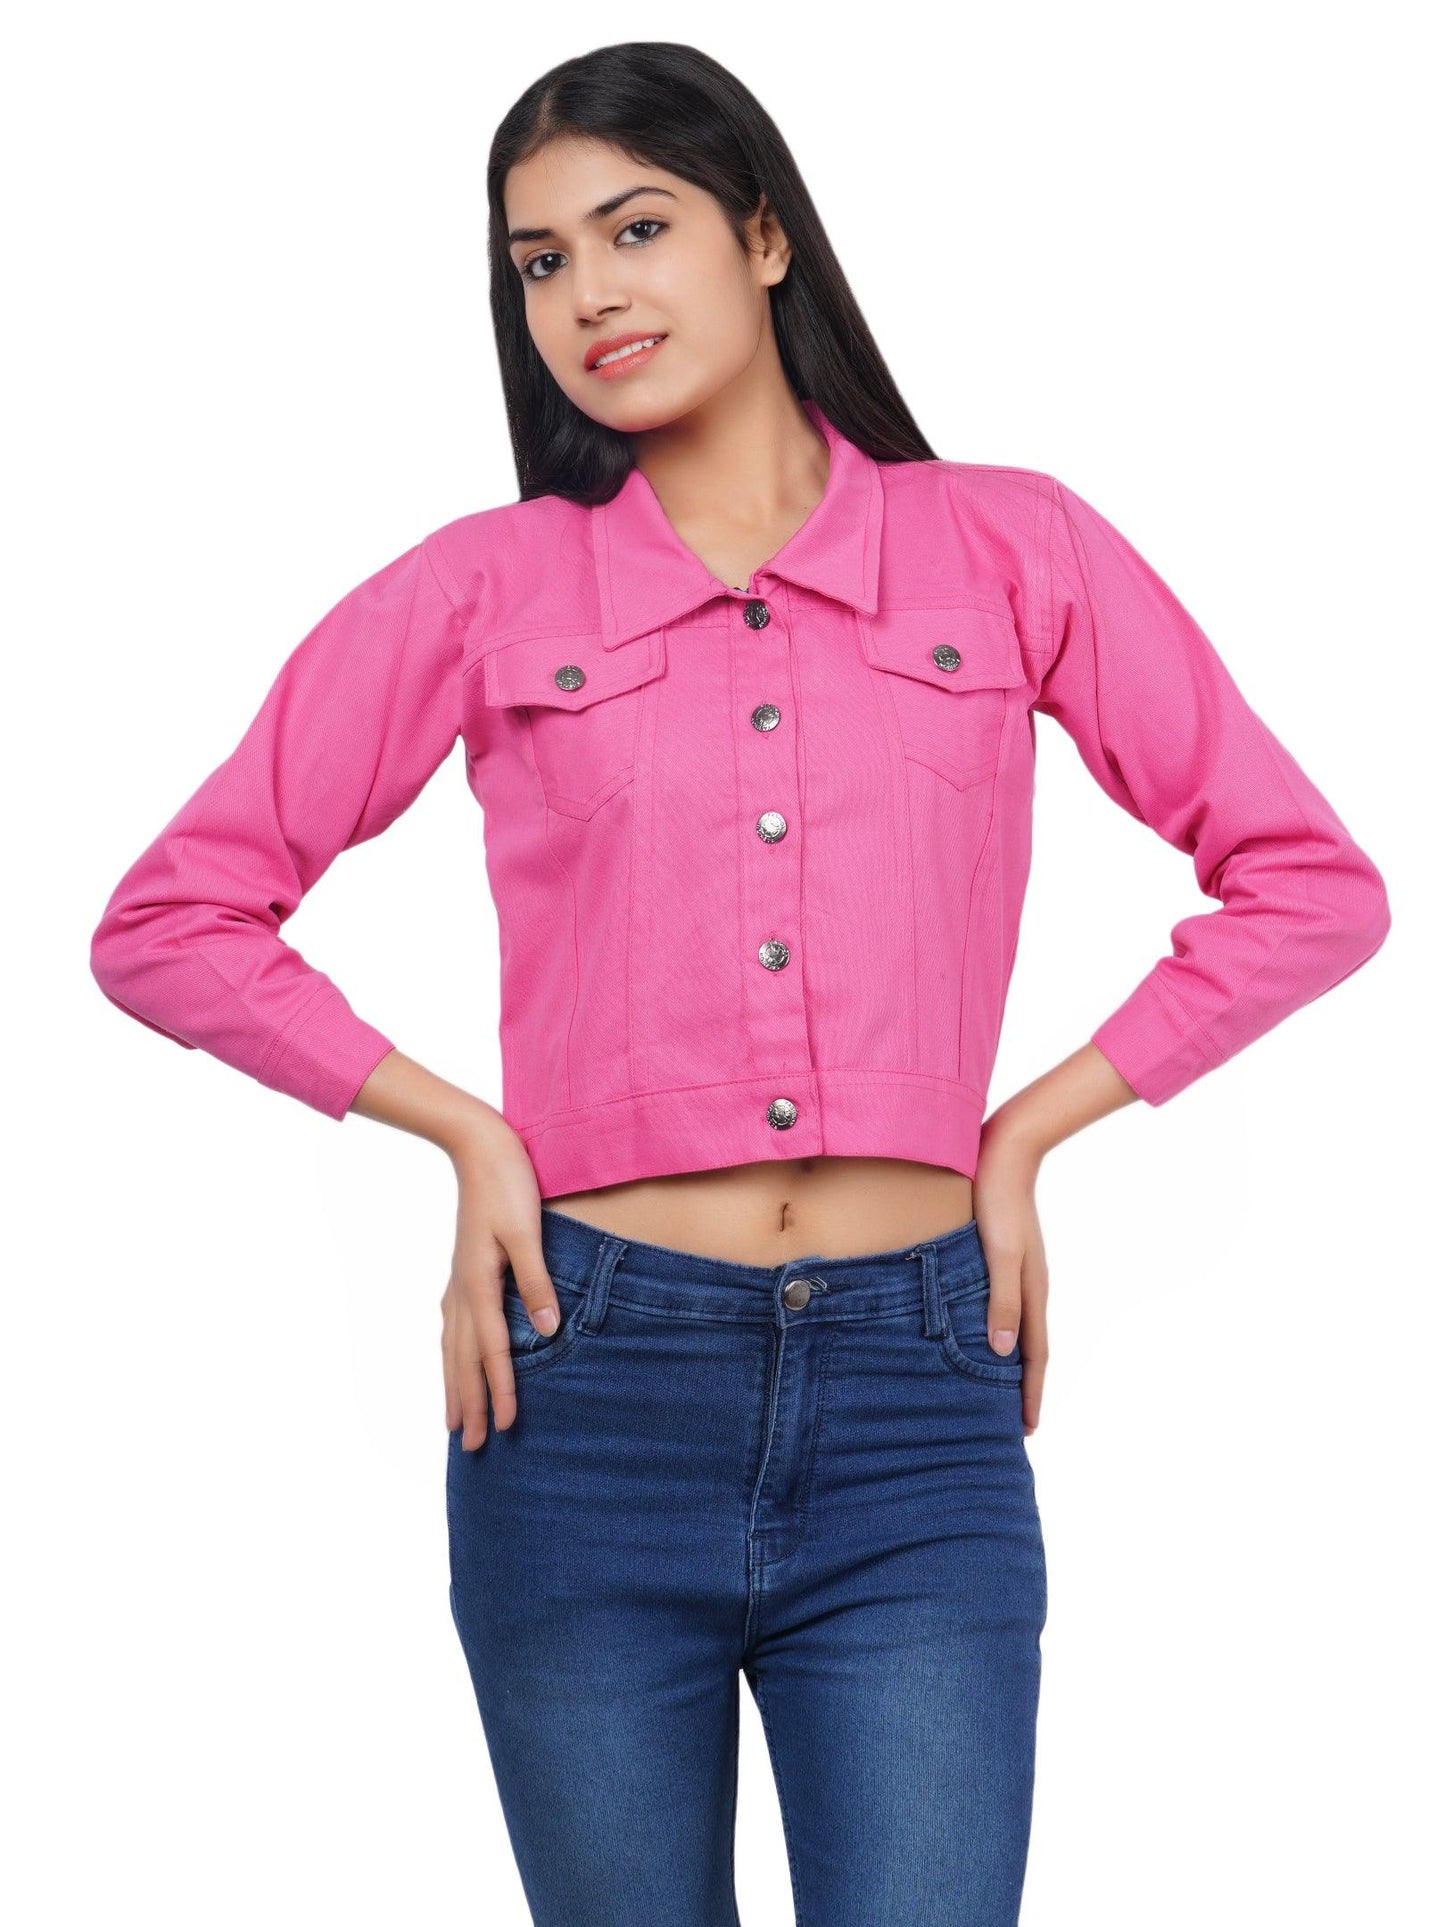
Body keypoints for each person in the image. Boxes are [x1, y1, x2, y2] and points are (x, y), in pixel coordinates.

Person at [88, 41, 1392, 1927]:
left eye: (636, 229)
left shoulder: (1012, 545)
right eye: (539, 261)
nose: (587, 294)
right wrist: (466, 1132)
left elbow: (1308, 884)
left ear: (765, 235)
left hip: (921, 1405)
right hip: (584, 1398)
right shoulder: (480, 589)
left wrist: (1022, 1130)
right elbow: (171, 920)